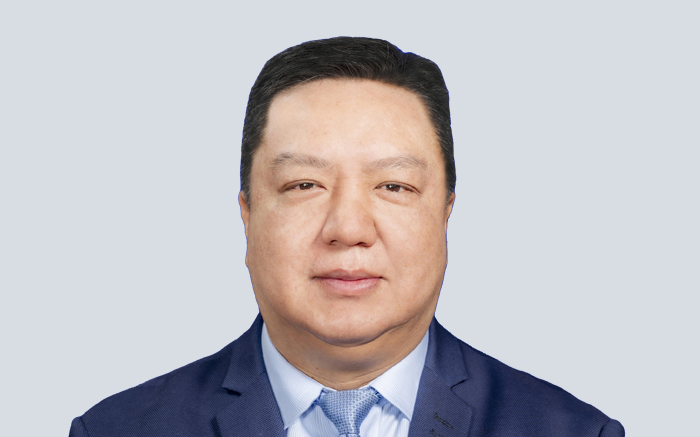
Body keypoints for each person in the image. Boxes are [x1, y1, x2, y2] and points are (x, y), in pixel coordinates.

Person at [69, 37, 624, 437]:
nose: (349, 230)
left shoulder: (571, 431)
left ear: (446, 213)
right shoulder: (118, 429)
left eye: (394, 186)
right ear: (247, 214)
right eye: (304, 185)